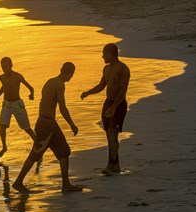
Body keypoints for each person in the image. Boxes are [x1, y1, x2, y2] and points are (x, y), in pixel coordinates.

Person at [12, 62, 83, 193]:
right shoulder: (60, 85)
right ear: (70, 73)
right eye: (72, 74)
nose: (72, 77)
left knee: (64, 152)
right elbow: (62, 107)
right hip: (46, 124)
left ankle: (66, 184)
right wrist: (72, 125)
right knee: (35, 154)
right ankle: (18, 182)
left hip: (48, 122)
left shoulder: (50, 81)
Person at [81, 43, 130, 175]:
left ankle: (110, 165)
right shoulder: (106, 69)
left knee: (113, 134)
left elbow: (123, 91)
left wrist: (114, 107)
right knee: (109, 135)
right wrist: (88, 92)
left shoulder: (123, 68)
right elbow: (101, 85)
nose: (102, 56)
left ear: (111, 54)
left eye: (104, 53)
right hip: (108, 103)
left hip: (118, 104)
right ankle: (116, 165)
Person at [0, 57, 35, 157]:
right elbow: (4, 87)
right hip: (6, 104)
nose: (4, 69)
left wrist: (31, 94)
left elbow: (31, 88)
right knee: (2, 126)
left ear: (11, 66)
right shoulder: (1, 77)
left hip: (17, 105)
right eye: (2, 67)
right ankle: (4, 147)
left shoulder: (18, 77)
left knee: (27, 128)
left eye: (6, 67)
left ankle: (37, 144)